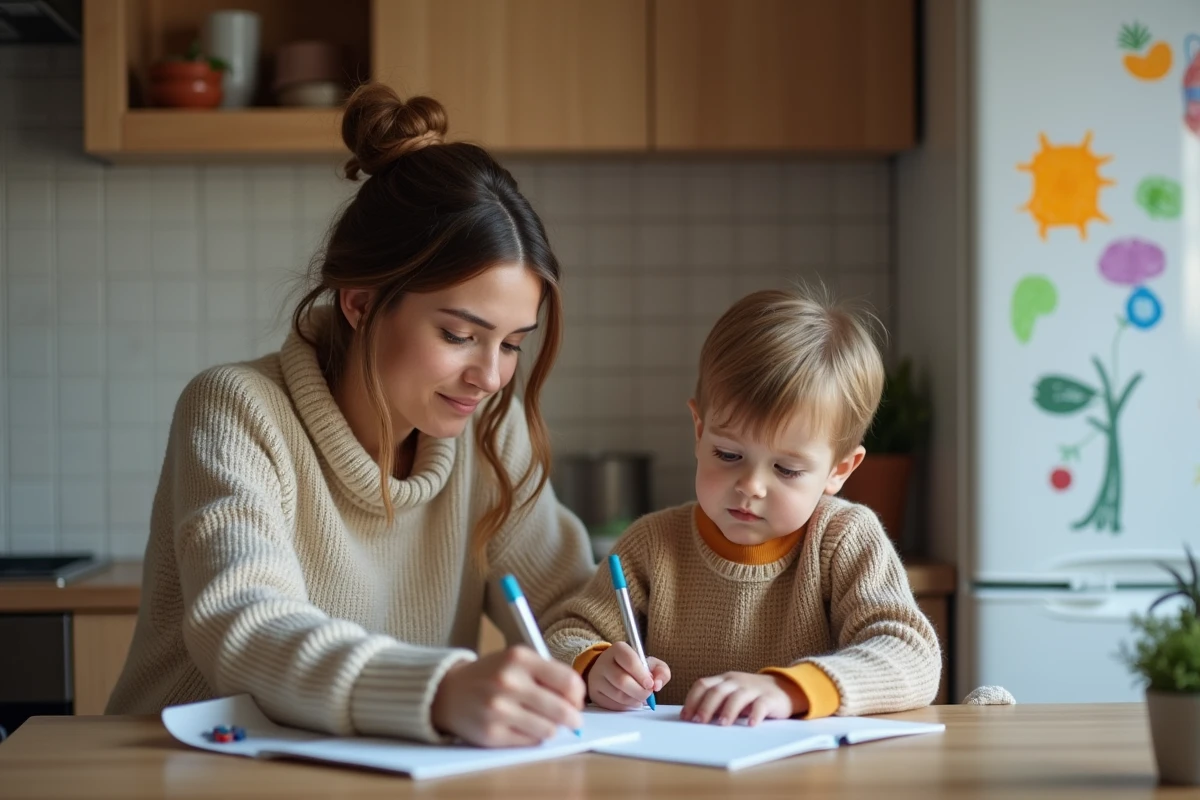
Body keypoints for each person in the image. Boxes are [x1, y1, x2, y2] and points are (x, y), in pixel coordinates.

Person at [106, 84, 595, 747]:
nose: (488, 376)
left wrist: (592, 661)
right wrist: (441, 692)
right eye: (459, 335)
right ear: (360, 303)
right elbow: (247, 626)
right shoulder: (237, 407)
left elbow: (567, 606)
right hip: (186, 772)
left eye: (511, 344)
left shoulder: (487, 429)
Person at [543, 287, 941, 725]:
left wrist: (789, 689)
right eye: (728, 455)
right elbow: (566, 634)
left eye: (787, 470)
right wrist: (594, 664)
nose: (750, 486)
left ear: (840, 469)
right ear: (699, 431)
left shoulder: (844, 538)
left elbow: (910, 655)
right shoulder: (652, 544)